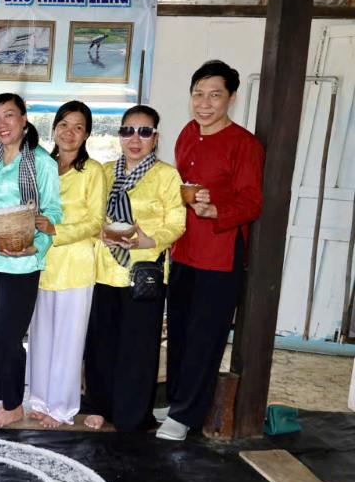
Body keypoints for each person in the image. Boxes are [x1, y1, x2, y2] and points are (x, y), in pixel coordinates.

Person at [156, 60, 265, 441]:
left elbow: (252, 202)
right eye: (198, 94)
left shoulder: (245, 144)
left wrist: (215, 209)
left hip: (220, 253)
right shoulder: (187, 133)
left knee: (206, 335)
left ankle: (186, 416)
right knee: (181, 330)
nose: (204, 103)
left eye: (214, 95)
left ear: (231, 98)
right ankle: (177, 401)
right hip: (184, 247)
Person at [83, 105, 185, 432]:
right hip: (104, 269)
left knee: (138, 348)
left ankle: (131, 413)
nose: (135, 138)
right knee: (100, 344)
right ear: (120, 136)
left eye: (144, 131)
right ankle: (98, 405)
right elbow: (93, 214)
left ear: (155, 138)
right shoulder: (106, 171)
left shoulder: (167, 176)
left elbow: (177, 224)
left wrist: (147, 241)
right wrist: (98, 230)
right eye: (128, 130)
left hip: (143, 272)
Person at [0, 93, 62, 428]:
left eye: (9, 115)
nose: (2, 124)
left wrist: (35, 246)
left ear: (24, 119)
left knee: (9, 335)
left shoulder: (42, 163)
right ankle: (6, 399)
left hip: (23, 263)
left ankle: (14, 404)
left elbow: (52, 213)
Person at [25, 101, 106, 427]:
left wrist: (55, 229)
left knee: (69, 341)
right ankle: (40, 399)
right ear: (53, 127)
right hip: (39, 263)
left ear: (86, 133)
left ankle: (62, 407)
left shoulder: (93, 171)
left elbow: (95, 222)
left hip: (76, 266)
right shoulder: (40, 165)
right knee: (41, 336)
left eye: (78, 127)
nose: (69, 133)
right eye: (64, 124)